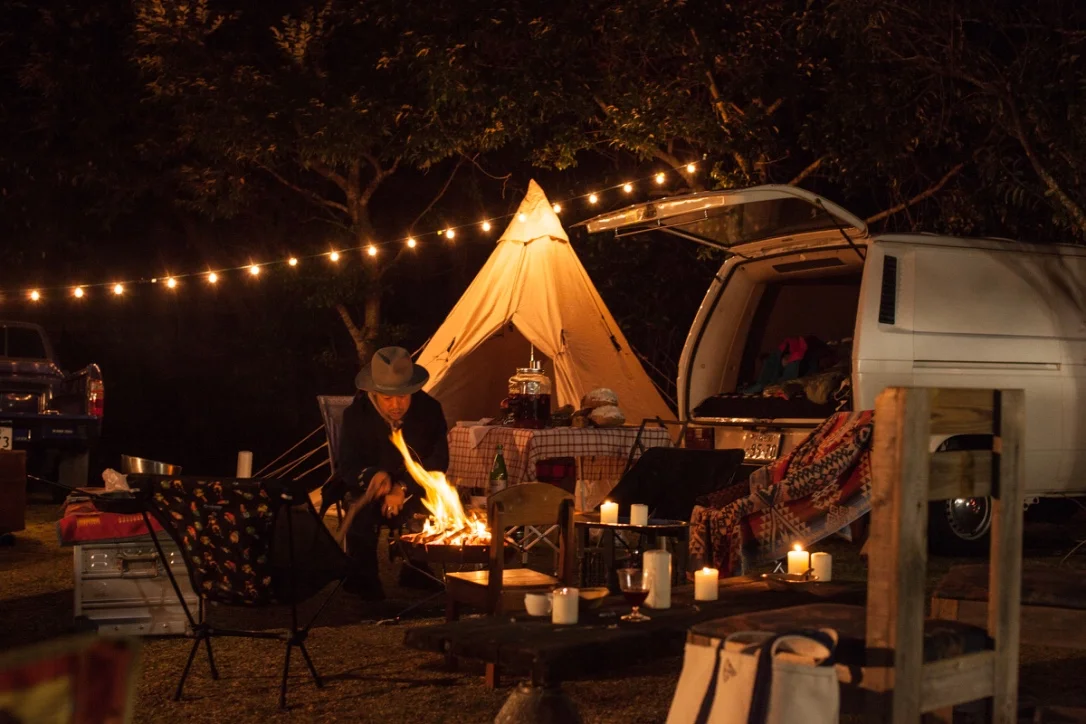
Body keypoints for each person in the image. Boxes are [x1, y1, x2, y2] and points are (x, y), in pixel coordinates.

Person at [333, 346, 448, 599]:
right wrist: (373, 476)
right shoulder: (356, 415)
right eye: (388, 398)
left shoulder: (430, 410)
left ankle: (416, 570)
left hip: (415, 485)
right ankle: (363, 579)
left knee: (424, 509)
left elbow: (438, 460)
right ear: (374, 392)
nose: (396, 405)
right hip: (368, 488)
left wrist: (402, 487)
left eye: (403, 396)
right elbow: (348, 465)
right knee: (362, 515)